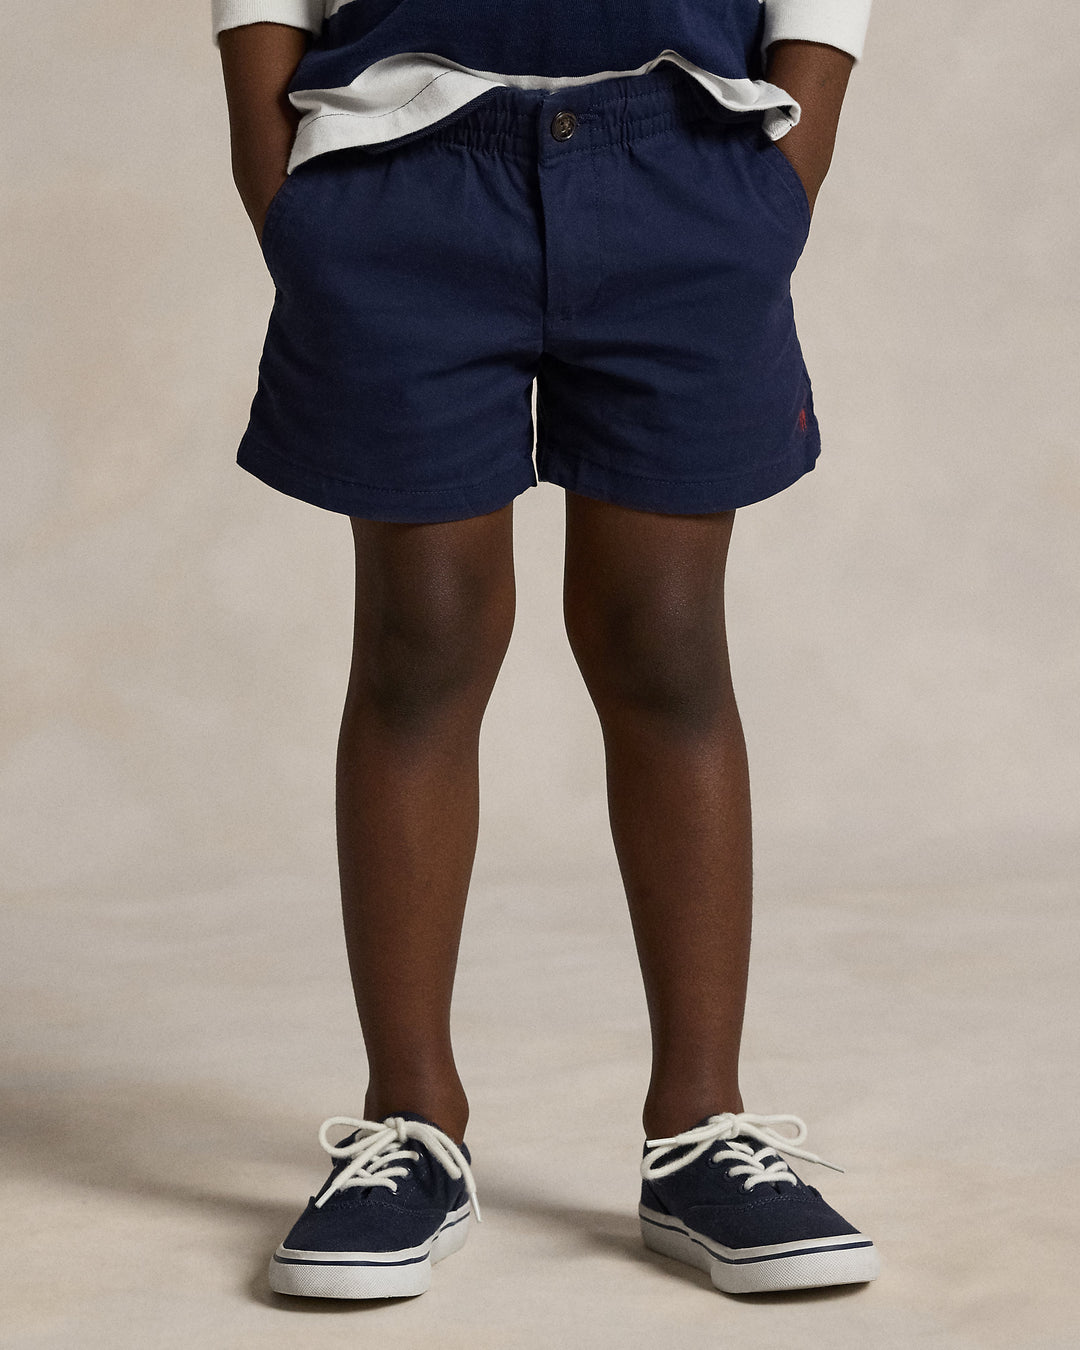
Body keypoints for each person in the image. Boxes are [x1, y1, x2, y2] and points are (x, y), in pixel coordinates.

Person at [213, 0, 881, 1301]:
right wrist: (275, 177)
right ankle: (411, 1120)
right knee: (421, 640)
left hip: (682, 154)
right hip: (401, 168)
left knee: (665, 641)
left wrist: (784, 177)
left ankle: (700, 1128)